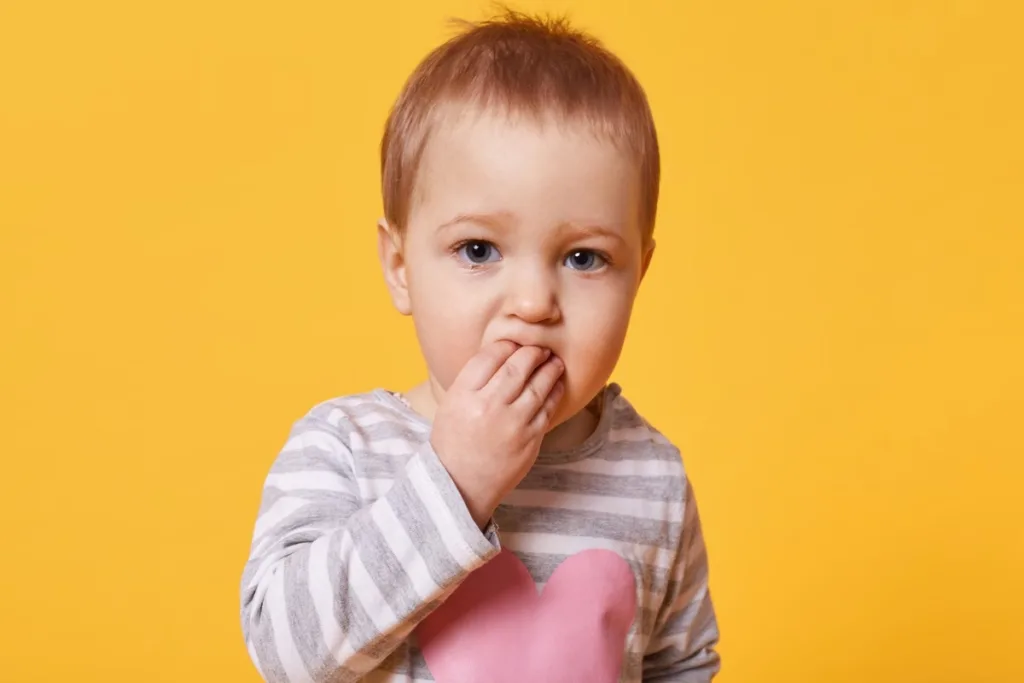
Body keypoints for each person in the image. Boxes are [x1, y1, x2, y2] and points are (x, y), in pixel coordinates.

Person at [240, 9, 720, 682]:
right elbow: (284, 652)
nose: (533, 302)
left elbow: (681, 664)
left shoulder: (651, 477)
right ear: (400, 266)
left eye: (583, 258)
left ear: (638, 274)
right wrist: (454, 483)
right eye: (478, 249)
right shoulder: (346, 448)